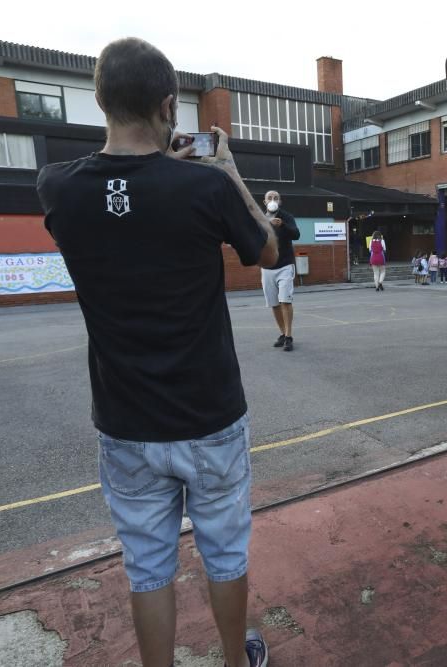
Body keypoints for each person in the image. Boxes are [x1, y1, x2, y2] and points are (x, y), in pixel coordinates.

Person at [36, 38, 278, 667]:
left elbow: (122, 198)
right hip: (209, 414)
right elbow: (268, 249)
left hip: (125, 421)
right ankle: (234, 660)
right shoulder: (204, 187)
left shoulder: (58, 189)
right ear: (170, 105)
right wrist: (224, 168)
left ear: (99, 99)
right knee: (224, 551)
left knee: (148, 567)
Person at [260, 190, 300, 353]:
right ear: (265, 202)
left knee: (285, 301)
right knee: (274, 304)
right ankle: (283, 334)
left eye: (276, 197)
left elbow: (296, 234)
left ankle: (289, 336)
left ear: (280, 201)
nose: (273, 200)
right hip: (267, 267)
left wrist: (282, 225)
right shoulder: (260, 218)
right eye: (270, 197)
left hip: (285, 265)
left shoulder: (286, 217)